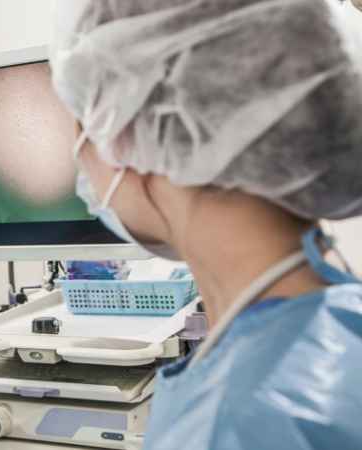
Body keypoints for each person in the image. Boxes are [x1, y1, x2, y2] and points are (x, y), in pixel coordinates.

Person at [50, 0, 362, 449]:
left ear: (128, 130)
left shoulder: (241, 425)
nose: (80, 157)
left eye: (85, 120)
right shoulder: (341, 323)